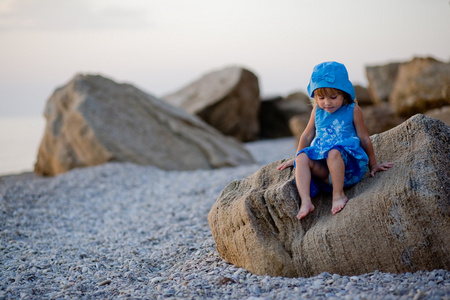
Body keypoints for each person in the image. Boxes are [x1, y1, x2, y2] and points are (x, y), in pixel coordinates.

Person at [277, 61, 393, 220]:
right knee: (303, 156)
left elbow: (364, 138)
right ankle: (306, 202)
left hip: (347, 168)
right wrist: (296, 158)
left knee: (333, 152)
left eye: (333, 97)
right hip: (325, 173)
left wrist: (374, 165)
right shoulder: (317, 111)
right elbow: (306, 136)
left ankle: (338, 195)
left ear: (344, 94)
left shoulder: (352, 109)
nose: (327, 102)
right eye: (321, 97)